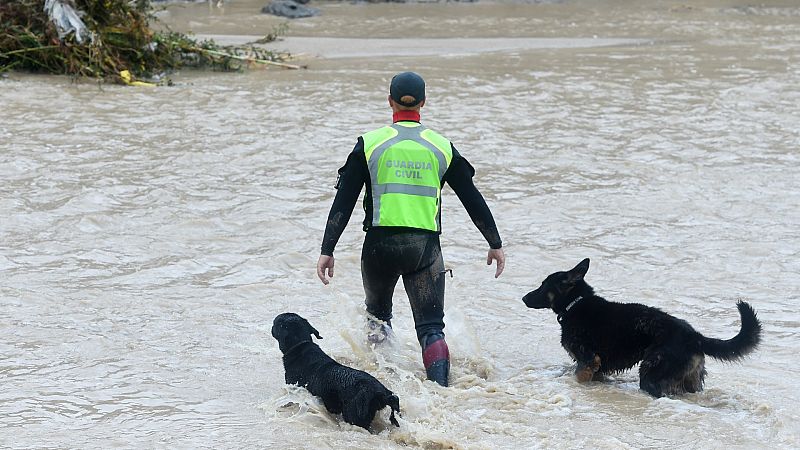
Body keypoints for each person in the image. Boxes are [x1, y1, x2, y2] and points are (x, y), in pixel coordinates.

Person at [316, 71, 505, 387]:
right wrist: (494, 242)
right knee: (431, 328)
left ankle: (385, 387)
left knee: (378, 320)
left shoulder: (370, 144)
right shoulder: (441, 147)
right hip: (425, 249)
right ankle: (441, 397)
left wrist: (327, 249)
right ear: (424, 103)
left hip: (378, 246)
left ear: (389, 101)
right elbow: (472, 197)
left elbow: (344, 201)